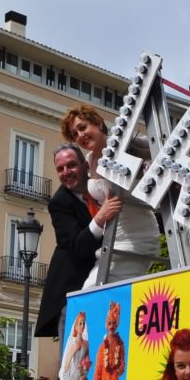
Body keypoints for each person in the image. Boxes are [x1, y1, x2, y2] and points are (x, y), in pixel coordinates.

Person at [61, 104, 162, 287]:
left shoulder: (124, 144)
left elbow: (158, 152)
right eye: (75, 134)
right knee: (97, 289)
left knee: (94, 288)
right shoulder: (89, 161)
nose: (80, 136)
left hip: (138, 232)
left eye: (82, 127)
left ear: (98, 123)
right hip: (113, 235)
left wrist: (143, 164)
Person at [34, 143, 121, 341]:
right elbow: (79, 247)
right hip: (74, 293)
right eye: (60, 169)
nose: (66, 172)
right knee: (74, 361)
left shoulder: (103, 186)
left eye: (71, 165)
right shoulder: (59, 203)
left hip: (107, 284)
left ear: (84, 165)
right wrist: (101, 217)